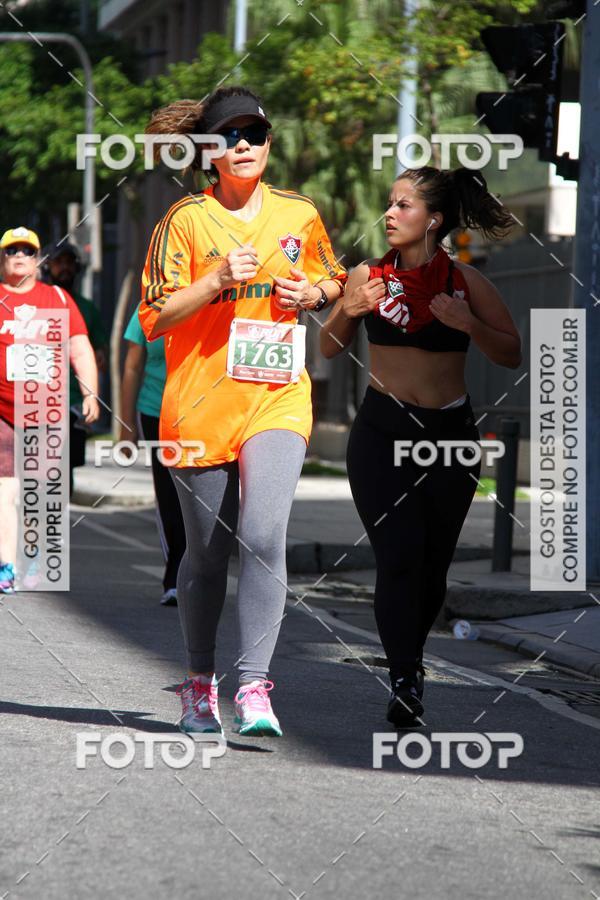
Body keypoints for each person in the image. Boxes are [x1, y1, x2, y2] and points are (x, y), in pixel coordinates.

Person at [138, 86, 346, 736]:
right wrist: (216, 279)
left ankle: (254, 685)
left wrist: (311, 290)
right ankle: (200, 685)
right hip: (199, 406)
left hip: (276, 396)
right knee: (205, 556)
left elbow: (334, 278)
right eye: (230, 135)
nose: (245, 145)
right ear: (209, 150)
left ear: (269, 141)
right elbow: (153, 318)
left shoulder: (299, 214)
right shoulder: (185, 221)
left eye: (255, 133)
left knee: (262, 537)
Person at [320, 167, 521, 725]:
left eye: (403, 206)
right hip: (383, 433)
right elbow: (330, 346)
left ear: (433, 220)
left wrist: (466, 324)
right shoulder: (367, 272)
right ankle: (404, 676)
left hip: (450, 437)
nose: (389, 213)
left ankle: (415, 659)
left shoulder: (466, 283)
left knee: (433, 569)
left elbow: (511, 353)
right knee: (399, 556)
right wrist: (349, 308)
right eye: (389, 203)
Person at [0, 227, 100, 593]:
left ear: (38, 259)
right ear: (3, 258)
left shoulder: (57, 299)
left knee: (39, 492)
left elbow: (79, 348)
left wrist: (90, 394)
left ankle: (36, 554)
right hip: (3, 413)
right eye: (12, 250)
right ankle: (6, 566)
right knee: (5, 492)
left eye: (27, 250)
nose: (20, 256)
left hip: (46, 412)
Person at [120, 301, 186, 606]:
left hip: (202, 413)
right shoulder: (149, 305)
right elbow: (132, 366)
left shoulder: (216, 296)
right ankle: (174, 578)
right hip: (156, 410)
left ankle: (197, 573)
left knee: (198, 496)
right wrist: (125, 425)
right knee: (170, 495)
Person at [43, 242, 109, 496]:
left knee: (63, 473)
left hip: (71, 404)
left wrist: (92, 396)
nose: (65, 268)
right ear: (47, 265)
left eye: (70, 263)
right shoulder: (34, 301)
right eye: (60, 262)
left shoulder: (86, 308)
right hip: (34, 401)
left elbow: (98, 355)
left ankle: (56, 527)